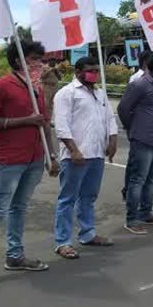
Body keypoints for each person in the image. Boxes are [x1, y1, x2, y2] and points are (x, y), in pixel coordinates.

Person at [0, 40, 58, 294]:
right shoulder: (2, 86)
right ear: (18, 60)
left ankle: (15, 256)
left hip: (34, 158)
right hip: (9, 159)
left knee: (19, 207)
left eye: (40, 59)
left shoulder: (37, 89)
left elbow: (44, 123)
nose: (39, 63)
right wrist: (24, 120)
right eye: (33, 59)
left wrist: (52, 154)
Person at [53, 57, 117, 260]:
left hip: (97, 154)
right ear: (78, 71)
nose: (94, 74)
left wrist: (112, 141)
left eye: (96, 70)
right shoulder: (66, 93)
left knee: (89, 197)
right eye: (90, 70)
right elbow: (61, 125)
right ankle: (63, 242)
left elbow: (110, 119)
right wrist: (74, 150)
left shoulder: (100, 93)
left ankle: (87, 233)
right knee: (67, 199)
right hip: (76, 156)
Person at [118, 51, 153, 235]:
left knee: (151, 179)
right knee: (138, 180)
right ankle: (132, 219)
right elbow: (124, 109)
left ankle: (146, 213)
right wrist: (133, 130)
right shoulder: (139, 85)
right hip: (144, 140)